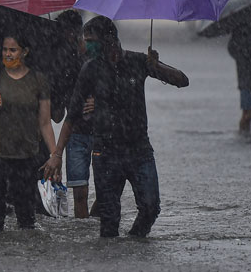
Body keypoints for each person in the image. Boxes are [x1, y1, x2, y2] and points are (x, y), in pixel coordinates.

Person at [43, 16, 189, 238]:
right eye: (86, 40)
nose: (87, 45)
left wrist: (156, 65)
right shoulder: (90, 69)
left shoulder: (137, 62)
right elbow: (71, 117)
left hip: (139, 150)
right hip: (105, 153)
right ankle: (111, 262)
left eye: (91, 40)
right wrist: (57, 154)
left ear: (109, 39)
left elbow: (182, 80)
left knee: (150, 208)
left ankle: (134, 246)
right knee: (109, 219)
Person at [0, 32, 56, 231]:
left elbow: (45, 122)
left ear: (25, 52)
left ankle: (23, 259)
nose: (7, 54)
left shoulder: (38, 80)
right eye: (4, 49)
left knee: (27, 219)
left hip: (25, 156)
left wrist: (55, 154)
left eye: (13, 50)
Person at [53, 9, 99, 218]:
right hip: (76, 133)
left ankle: (96, 230)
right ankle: (85, 233)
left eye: (70, 34)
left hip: (101, 132)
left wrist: (98, 100)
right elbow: (57, 115)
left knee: (108, 190)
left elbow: (115, 87)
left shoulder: (97, 57)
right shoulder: (62, 62)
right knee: (80, 193)